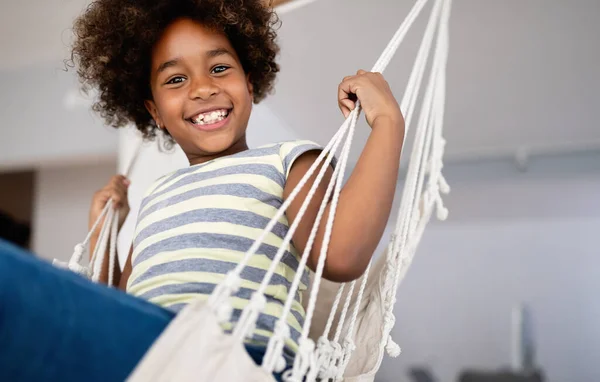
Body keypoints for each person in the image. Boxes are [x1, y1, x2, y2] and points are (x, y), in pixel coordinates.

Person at [0, 0, 405, 380]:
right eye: (176, 78)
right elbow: (116, 308)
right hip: (156, 358)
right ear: (155, 111)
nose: (201, 88)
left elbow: (341, 254)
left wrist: (387, 120)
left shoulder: (287, 161)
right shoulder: (157, 194)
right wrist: (105, 235)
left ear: (249, 83)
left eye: (219, 69)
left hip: (245, 357)